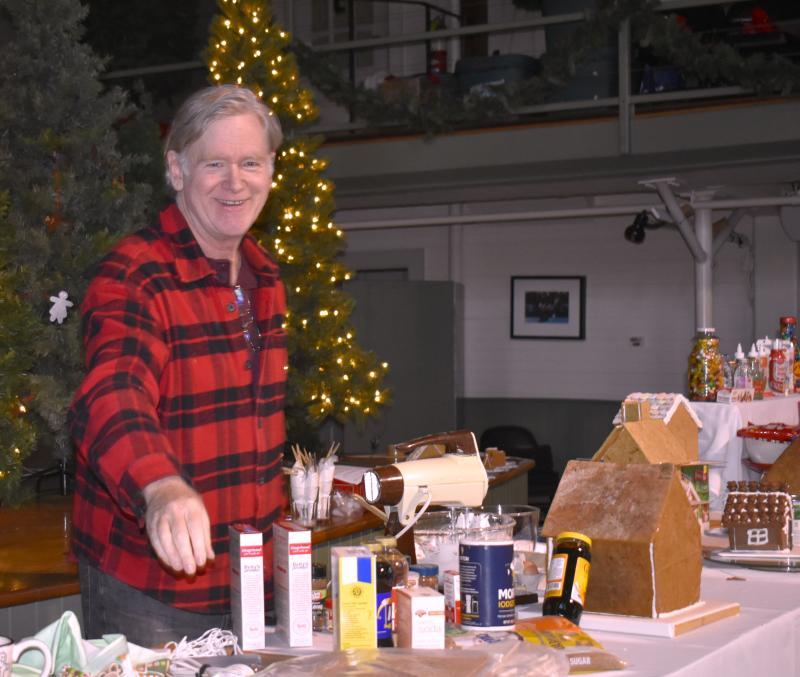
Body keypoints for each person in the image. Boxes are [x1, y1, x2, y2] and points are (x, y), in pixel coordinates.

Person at [69, 84, 287, 647]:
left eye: (250, 163)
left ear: (269, 171)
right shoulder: (134, 274)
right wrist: (162, 486)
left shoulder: (265, 281)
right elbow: (113, 392)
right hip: (148, 589)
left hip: (248, 582)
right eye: (214, 163)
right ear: (176, 169)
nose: (235, 181)